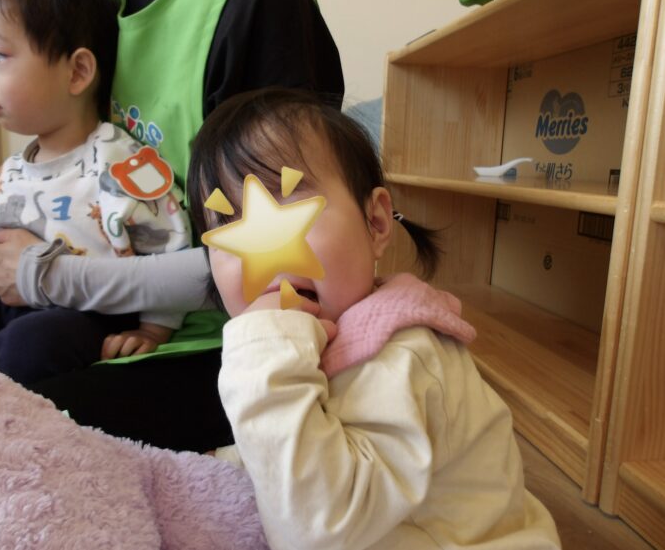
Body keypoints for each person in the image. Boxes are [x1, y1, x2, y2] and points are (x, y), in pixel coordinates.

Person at [187, 86, 561, 549]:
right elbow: (304, 436)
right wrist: (236, 463)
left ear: (376, 224)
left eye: (287, 196)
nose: (259, 244)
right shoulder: (316, 336)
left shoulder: (400, 360)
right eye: (225, 221)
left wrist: (261, 355)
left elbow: (320, 531)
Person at [0, 0, 344, 452]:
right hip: (89, 308)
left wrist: (51, 276)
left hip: (213, 337)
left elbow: (278, 260)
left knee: (10, 418)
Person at [0, 0, 194, 386]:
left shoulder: (123, 164)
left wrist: (153, 330)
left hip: (91, 318)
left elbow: (170, 247)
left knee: (31, 342)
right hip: (7, 311)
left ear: (77, 72)